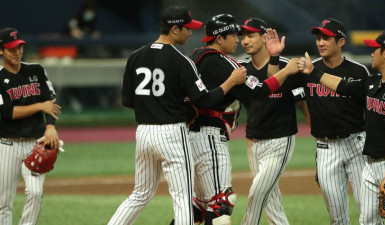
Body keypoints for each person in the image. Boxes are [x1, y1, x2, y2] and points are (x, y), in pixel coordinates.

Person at [107, 6, 247, 225]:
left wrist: (155, 105)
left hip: (143, 133)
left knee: (140, 195)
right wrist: (230, 82)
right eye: (187, 28)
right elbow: (205, 100)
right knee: (182, 199)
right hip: (172, 133)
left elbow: (127, 100)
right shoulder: (181, 61)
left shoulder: (136, 56)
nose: (191, 33)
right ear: (174, 29)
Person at [183, 14, 300, 225]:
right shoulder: (228, 64)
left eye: (247, 35)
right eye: (236, 35)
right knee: (222, 201)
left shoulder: (195, 58)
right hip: (213, 139)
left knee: (201, 205)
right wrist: (286, 72)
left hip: (195, 137)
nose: (240, 40)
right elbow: (260, 92)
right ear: (220, 38)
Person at [298, 30, 385, 225]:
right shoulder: (373, 82)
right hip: (370, 164)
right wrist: (314, 71)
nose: (372, 53)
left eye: (375, 49)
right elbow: (342, 86)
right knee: (367, 220)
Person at [238, 18, 310, 225]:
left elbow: (303, 101)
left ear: (263, 37)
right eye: (242, 36)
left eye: (250, 35)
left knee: (257, 192)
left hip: (280, 140)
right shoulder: (241, 68)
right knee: (271, 201)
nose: (245, 40)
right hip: (252, 141)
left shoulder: (288, 66)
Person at [300, 18, 370, 225]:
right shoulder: (307, 71)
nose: (320, 42)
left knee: (369, 210)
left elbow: (373, 111)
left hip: (357, 145)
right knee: (337, 218)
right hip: (325, 148)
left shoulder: (358, 71)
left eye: (326, 38)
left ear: (341, 42)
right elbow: (299, 101)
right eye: (318, 38)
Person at [0, 27, 61, 225]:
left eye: (20, 48)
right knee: (3, 203)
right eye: (11, 49)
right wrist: (40, 106)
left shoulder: (36, 70)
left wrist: (50, 126)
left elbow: (50, 102)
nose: (17, 53)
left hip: (35, 144)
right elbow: (7, 113)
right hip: (6, 145)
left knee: (35, 193)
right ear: (1, 50)